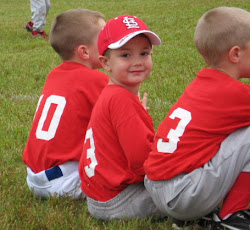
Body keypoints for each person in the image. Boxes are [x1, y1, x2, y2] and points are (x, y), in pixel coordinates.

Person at [144, 6, 250, 230]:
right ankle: (230, 217)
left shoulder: (203, 84)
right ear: (236, 54)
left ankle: (198, 211)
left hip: (158, 186)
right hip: (183, 193)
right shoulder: (233, 94)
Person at [78, 15, 163, 220]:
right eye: (125, 55)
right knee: (192, 188)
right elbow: (143, 163)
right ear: (106, 63)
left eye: (144, 53)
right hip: (119, 201)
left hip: (101, 196)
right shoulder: (121, 101)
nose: (137, 62)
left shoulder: (114, 94)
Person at [23, 9, 109, 200]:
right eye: (103, 39)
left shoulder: (54, 74)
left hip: (34, 177)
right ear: (84, 51)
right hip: (66, 181)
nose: (109, 44)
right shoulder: (95, 79)